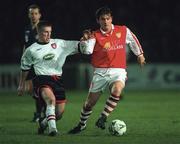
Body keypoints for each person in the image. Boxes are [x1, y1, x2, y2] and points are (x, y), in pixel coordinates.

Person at [68, 6, 146, 134]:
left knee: (117, 90)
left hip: (118, 70)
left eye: (107, 18)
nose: (105, 21)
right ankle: (81, 125)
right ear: (98, 20)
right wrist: (85, 41)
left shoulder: (123, 30)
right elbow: (87, 51)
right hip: (100, 72)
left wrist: (140, 54)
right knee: (89, 104)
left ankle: (103, 117)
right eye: (102, 19)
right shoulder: (95, 35)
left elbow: (133, 40)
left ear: (111, 19)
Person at [17, 21, 81, 136]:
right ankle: (53, 130)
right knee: (50, 100)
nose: (48, 35)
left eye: (50, 32)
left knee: (59, 113)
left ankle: (43, 123)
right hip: (42, 79)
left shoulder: (59, 43)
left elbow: (77, 46)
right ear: (38, 32)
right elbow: (24, 68)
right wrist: (21, 84)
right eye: (46, 32)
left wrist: (85, 40)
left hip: (57, 80)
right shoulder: (31, 50)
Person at [23, 4, 45, 122]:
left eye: (36, 13)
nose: (33, 16)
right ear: (28, 15)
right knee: (30, 90)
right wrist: (23, 59)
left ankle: (39, 113)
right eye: (31, 13)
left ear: (39, 15)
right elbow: (25, 46)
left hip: (39, 64)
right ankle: (42, 110)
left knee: (38, 89)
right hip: (29, 63)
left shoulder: (43, 29)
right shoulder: (27, 29)